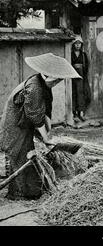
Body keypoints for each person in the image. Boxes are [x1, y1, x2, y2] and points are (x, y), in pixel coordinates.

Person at [0, 53, 81, 200]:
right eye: (56, 80)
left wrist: (49, 134)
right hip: (14, 125)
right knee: (20, 155)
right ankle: (18, 194)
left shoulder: (44, 86)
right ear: (48, 75)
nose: (57, 83)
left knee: (27, 152)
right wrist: (45, 138)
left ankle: (29, 190)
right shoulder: (34, 87)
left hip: (24, 124)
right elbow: (35, 115)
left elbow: (46, 111)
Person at [71, 36, 91, 123]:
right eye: (76, 44)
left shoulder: (83, 55)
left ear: (81, 45)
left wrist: (83, 75)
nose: (78, 45)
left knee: (82, 93)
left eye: (79, 44)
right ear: (73, 45)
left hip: (81, 77)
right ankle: (74, 113)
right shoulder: (71, 54)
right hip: (73, 76)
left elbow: (86, 66)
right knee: (74, 93)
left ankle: (81, 113)